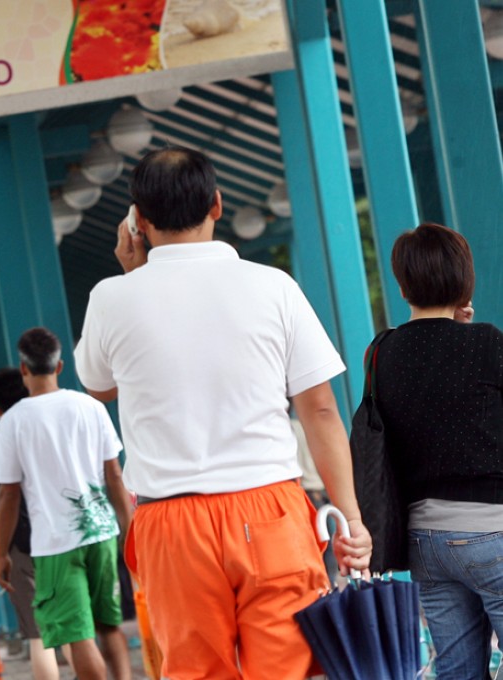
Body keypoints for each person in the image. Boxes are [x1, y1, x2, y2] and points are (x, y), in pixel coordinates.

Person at [72, 146, 372, 680]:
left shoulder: (110, 298)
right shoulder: (273, 286)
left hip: (171, 522)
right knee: (291, 668)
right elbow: (321, 409)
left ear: (137, 222)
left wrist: (133, 276)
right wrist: (350, 517)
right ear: (217, 203)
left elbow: (99, 387)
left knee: (195, 670)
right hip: (271, 509)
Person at [374, 223, 503, 679]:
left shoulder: (382, 352)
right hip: (493, 532)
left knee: (457, 671)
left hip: (425, 541)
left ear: (404, 284)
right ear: (464, 280)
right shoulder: (488, 342)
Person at [0, 328, 132, 680]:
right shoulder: (91, 406)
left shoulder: (14, 421)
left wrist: (2, 553)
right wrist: (129, 528)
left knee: (76, 634)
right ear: (60, 365)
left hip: (56, 544)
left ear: (24, 370)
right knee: (109, 624)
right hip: (102, 534)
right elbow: (114, 474)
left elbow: (8, 494)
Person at [0, 368, 63, 680]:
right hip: (63, 538)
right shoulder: (49, 433)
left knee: (40, 637)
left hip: (20, 547)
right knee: (74, 630)